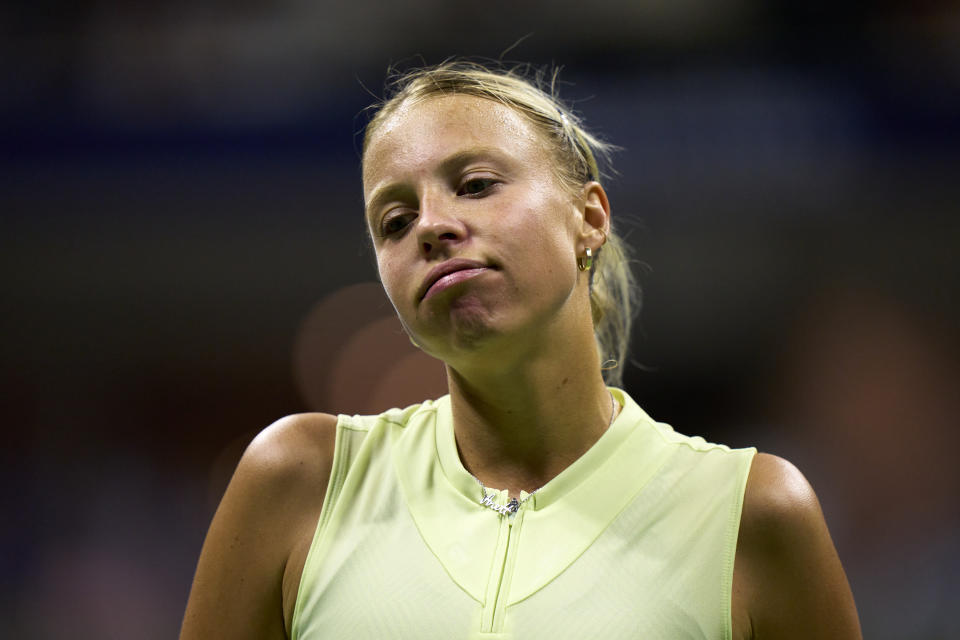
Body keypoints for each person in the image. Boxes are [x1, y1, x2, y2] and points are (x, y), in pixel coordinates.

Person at [180, 61, 862, 639]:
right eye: (395, 220)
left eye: (476, 185)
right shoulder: (299, 482)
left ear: (588, 217)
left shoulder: (752, 512)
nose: (433, 227)